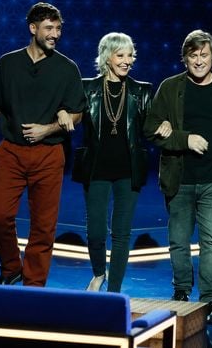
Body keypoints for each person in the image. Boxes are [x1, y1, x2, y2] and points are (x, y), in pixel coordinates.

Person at [0, 2, 85, 287]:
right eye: (49, 28)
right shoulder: (8, 63)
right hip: (11, 152)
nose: (55, 34)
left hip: (49, 155)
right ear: (33, 28)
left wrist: (46, 129)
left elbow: (77, 113)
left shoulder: (67, 68)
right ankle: (11, 268)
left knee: (43, 226)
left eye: (59, 28)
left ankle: (33, 286)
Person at [143, 30, 212, 323]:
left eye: (203, 55)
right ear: (184, 58)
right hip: (180, 180)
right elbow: (151, 129)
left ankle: (210, 300)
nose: (198, 61)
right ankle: (181, 294)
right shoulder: (170, 87)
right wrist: (183, 139)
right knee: (178, 241)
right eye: (193, 55)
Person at [71, 32, 152, 293]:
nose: (127, 61)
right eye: (121, 55)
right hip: (96, 169)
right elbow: (70, 113)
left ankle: (114, 290)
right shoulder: (86, 88)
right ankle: (98, 273)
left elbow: (150, 127)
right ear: (107, 57)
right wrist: (63, 112)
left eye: (130, 55)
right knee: (95, 231)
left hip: (128, 170)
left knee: (121, 234)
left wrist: (162, 125)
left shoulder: (141, 91)